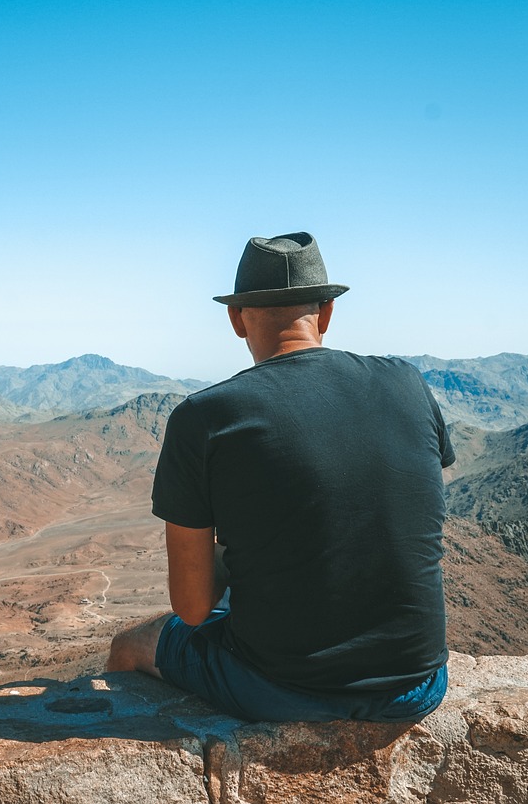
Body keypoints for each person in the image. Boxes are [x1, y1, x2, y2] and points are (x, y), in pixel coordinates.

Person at [106, 232, 454, 723]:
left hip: (281, 689)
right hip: (419, 683)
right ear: (326, 315)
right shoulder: (408, 383)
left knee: (129, 647)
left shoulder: (204, 417)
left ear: (235, 319)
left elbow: (191, 607)